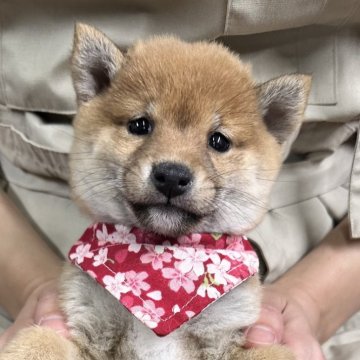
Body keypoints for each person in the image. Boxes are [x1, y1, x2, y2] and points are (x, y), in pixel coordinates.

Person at [0, 1, 360, 359]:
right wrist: (37, 322)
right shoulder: (94, 266)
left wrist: (313, 302)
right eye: (140, 126)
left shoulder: (232, 280)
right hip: (30, 237)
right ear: (96, 82)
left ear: (274, 124)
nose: (174, 168)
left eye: (219, 141)